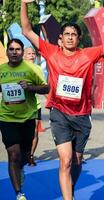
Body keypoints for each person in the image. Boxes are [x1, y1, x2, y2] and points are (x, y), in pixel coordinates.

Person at [20, 0, 104, 199]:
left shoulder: (88, 54)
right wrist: (24, 3)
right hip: (59, 113)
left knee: (76, 161)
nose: (70, 37)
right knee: (65, 160)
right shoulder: (51, 52)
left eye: (74, 34)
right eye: (66, 34)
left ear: (79, 38)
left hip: (82, 115)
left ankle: (70, 187)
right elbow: (26, 30)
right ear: (60, 39)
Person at [0, 38, 49, 200]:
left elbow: (46, 87)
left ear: (22, 52)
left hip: (28, 117)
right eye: (11, 49)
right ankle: (19, 193)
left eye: (18, 49)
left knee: (25, 155)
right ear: (7, 52)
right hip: (6, 117)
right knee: (13, 154)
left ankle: (20, 168)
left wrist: (30, 88)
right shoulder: (1, 70)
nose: (14, 52)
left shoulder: (31, 68)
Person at [23, 46, 46, 166]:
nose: (32, 55)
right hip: (21, 105)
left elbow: (43, 86)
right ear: (23, 55)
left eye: (33, 53)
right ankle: (24, 152)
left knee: (35, 131)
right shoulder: (18, 68)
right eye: (29, 53)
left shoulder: (38, 68)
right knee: (23, 131)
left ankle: (31, 156)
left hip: (35, 105)